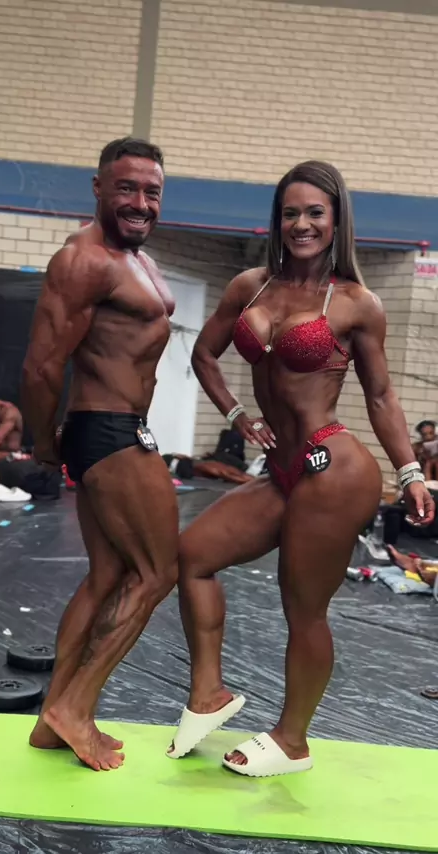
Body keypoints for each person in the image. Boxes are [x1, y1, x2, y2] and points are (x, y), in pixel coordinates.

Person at [167, 160, 435, 778]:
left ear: (337, 220)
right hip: (282, 470)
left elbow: (381, 396)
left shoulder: (357, 303)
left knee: (303, 608)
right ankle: (208, 693)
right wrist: (237, 414)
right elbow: (204, 354)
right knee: (193, 554)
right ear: (277, 220)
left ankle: (293, 740)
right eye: (291, 213)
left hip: (334, 468)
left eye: (315, 212)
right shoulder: (250, 286)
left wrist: (411, 472)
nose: (302, 224)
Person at [21, 137, 178, 771]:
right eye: (127, 188)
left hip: (116, 428)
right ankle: (75, 707)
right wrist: (42, 442)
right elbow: (41, 366)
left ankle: (50, 719)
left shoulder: (138, 260)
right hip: (108, 430)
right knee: (158, 573)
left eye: (152, 192)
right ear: (98, 188)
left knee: (109, 576)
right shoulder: (82, 259)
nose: (140, 202)